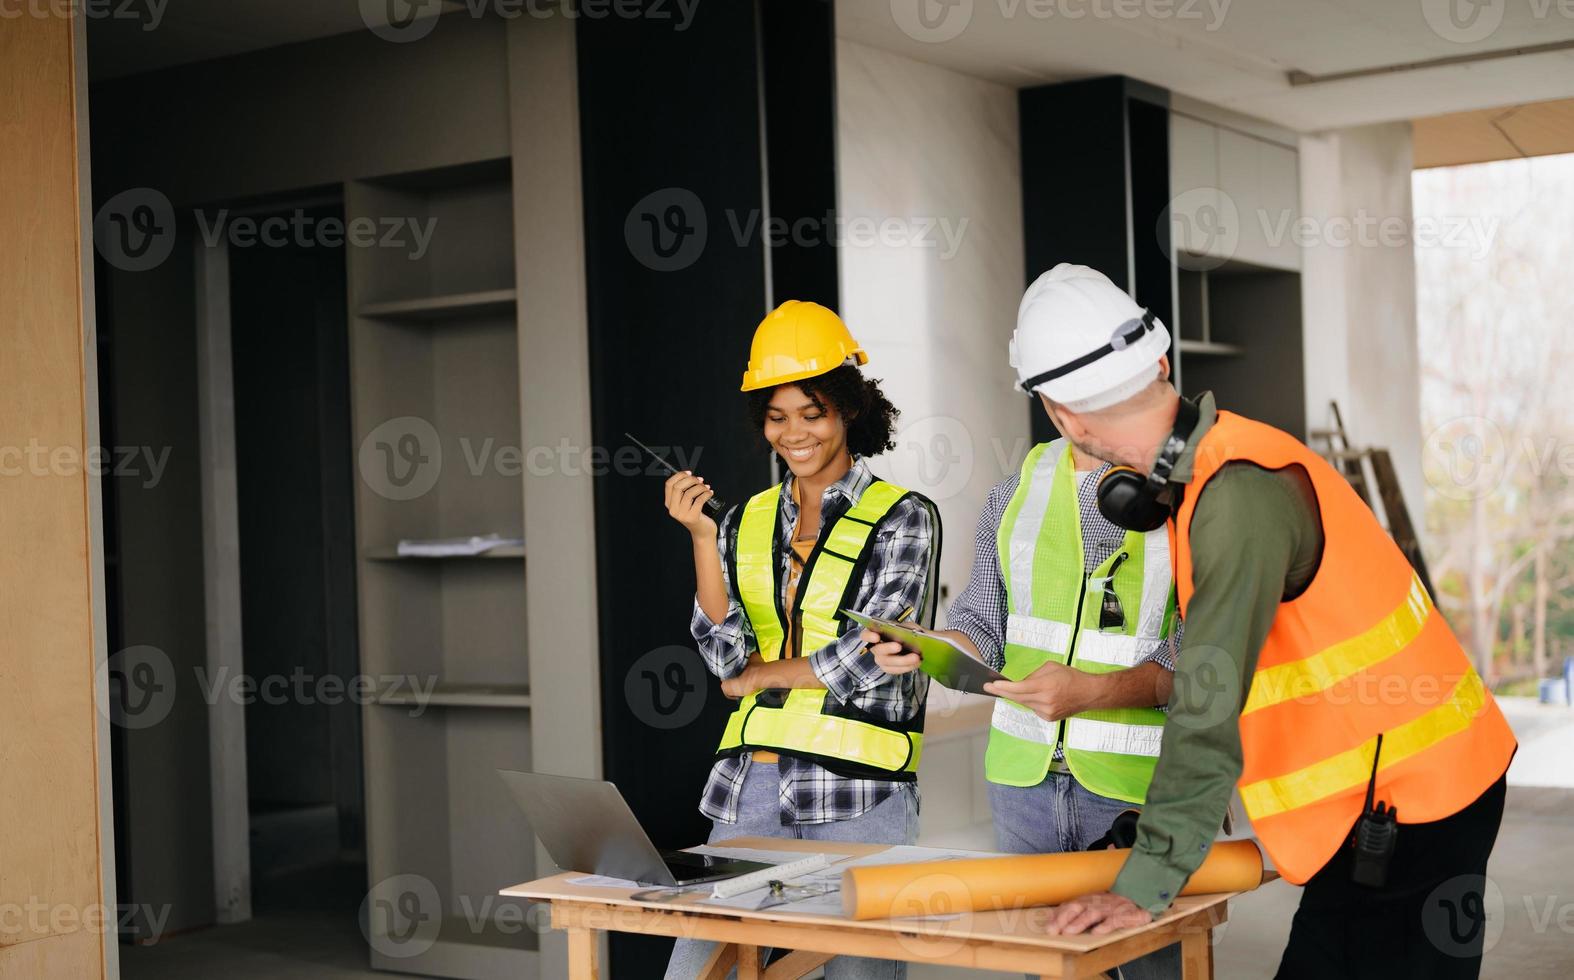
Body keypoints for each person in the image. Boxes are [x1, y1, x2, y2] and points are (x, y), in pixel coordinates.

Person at [1010, 265, 1517, 979]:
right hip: (1412, 783)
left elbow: (1206, 701)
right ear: (1160, 362)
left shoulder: (1233, 500)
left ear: (1061, 417)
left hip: (1412, 801)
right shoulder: (1234, 458)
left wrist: (1148, 881)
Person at [869, 265, 1182, 980]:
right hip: (1023, 784)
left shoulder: (1188, 489)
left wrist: (1094, 693)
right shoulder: (1018, 490)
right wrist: (927, 647)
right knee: (1055, 968)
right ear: (1050, 403)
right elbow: (983, 622)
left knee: (1152, 968)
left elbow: (1208, 647)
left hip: (1137, 789)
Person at [662, 300, 942, 980]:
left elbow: (869, 657)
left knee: (856, 977)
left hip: (860, 797)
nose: (795, 433)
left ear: (848, 410)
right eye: (777, 416)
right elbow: (724, 655)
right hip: (751, 786)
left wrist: (762, 677)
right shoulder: (745, 521)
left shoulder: (904, 518)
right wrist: (704, 540)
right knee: (696, 973)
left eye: (812, 412)